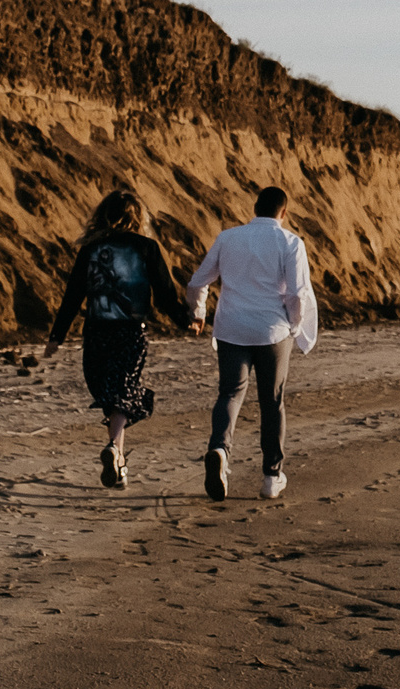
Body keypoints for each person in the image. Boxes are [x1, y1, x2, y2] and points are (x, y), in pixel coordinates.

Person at [44, 187, 190, 491]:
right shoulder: (147, 248)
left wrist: (57, 335)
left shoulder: (91, 249)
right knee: (123, 392)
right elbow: (165, 294)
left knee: (113, 396)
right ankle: (113, 447)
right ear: (138, 217)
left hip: (96, 333)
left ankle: (119, 462)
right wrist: (185, 321)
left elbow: (73, 294)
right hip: (130, 332)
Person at [185, 185, 319, 502]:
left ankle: (219, 449)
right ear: (284, 213)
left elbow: (197, 281)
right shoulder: (291, 242)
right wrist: (295, 325)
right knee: (272, 401)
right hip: (272, 330)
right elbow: (297, 293)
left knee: (230, 393)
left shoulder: (228, 237)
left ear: (255, 207)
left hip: (231, 327)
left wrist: (199, 312)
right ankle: (271, 476)